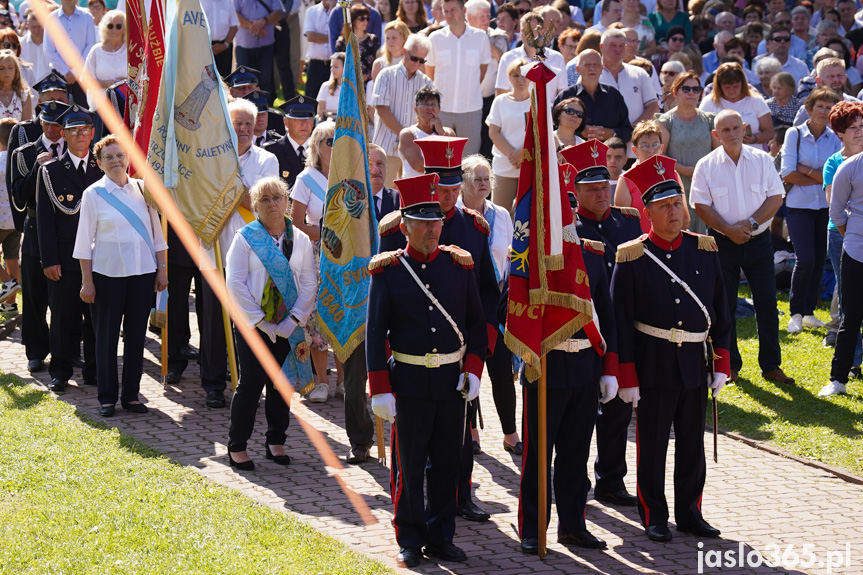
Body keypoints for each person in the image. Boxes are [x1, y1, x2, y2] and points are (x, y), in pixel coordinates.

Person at [367, 172, 486, 568]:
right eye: (422, 223)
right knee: (410, 465)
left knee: (447, 465)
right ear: (404, 226)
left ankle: (440, 536)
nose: (432, 230)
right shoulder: (389, 271)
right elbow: (374, 333)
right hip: (410, 382)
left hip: (452, 383)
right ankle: (410, 537)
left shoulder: (459, 265)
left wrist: (473, 369)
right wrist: (380, 389)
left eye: (436, 222)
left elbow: (475, 324)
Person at [379, 135, 500, 525]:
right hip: (414, 356)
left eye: (453, 188)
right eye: (441, 188)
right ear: (430, 182)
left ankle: (459, 498)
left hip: (460, 350)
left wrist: (482, 347)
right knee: (412, 449)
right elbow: (385, 300)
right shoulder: (398, 227)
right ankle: (411, 518)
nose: (448, 198)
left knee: (457, 439)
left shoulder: (475, 228)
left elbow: (486, 287)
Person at [611, 154, 731, 543]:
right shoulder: (631, 256)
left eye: (677, 203)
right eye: (664, 206)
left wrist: (722, 364)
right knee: (654, 445)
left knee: (693, 444)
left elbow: (721, 314)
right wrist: (626, 376)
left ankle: (690, 512)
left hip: (695, 362)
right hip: (654, 364)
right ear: (647, 212)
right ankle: (653, 514)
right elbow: (620, 324)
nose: (674, 212)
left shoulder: (705, 249)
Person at [516, 146, 620, 556]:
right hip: (546, 363)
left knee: (576, 454)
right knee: (538, 456)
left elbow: (606, 316)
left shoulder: (590, 253)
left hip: (584, 365)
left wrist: (609, 369)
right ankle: (532, 527)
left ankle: (573, 525)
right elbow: (513, 303)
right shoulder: (532, 256)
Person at [563, 139, 641, 509]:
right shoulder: (567, 231)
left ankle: (610, 480)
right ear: (575, 192)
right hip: (582, 329)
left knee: (618, 410)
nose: (601, 194)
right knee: (577, 419)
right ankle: (572, 486)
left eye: (604, 187)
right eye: (591, 188)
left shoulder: (627, 222)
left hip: (622, 326)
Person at [691, 109, 793, 385]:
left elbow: (775, 197)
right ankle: (729, 365)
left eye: (736, 127)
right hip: (722, 244)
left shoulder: (761, 160)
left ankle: (771, 365)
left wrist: (747, 225)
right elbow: (700, 206)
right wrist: (729, 230)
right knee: (724, 307)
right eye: (725, 130)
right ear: (716, 134)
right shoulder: (706, 165)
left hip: (758, 243)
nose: (732, 133)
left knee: (767, 304)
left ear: (744, 128)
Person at [224, 176, 316, 469]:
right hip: (254, 326)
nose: (272, 204)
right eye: (265, 199)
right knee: (251, 384)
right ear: (255, 206)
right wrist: (262, 322)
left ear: (288, 202)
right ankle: (237, 445)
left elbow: (309, 283)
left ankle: (276, 440)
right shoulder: (245, 238)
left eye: (277, 197)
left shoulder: (300, 239)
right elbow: (235, 283)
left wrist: (294, 319)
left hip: (288, 327)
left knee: (282, 384)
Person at [75, 134, 168, 417]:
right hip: (107, 277)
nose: (116, 161)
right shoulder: (93, 194)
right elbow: (83, 243)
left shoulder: (143, 189)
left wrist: (162, 270)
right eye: (109, 157)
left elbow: (158, 235)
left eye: (120, 155)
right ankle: (106, 398)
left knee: (137, 337)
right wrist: (87, 282)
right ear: (99, 163)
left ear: (128, 159)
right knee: (106, 339)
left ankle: (131, 395)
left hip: (142, 275)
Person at [338, 143, 400, 465]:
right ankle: (360, 440)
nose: (376, 169)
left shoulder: (399, 203)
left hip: (392, 306)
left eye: (382, 164)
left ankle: (403, 438)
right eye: (371, 163)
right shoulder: (342, 204)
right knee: (354, 378)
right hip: (354, 304)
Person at [36, 105, 101, 395]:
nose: (79, 135)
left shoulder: (104, 168)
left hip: (100, 258)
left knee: (96, 318)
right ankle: (60, 371)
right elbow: (44, 221)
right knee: (63, 317)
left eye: (84, 130)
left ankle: (94, 370)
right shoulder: (50, 171)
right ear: (63, 135)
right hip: (64, 258)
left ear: (92, 133)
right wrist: (49, 259)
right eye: (73, 131)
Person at [457, 154, 518, 453]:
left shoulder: (502, 214)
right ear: (463, 183)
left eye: (486, 179)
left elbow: (509, 258)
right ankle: (471, 432)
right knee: (470, 368)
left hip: (497, 303)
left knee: (502, 370)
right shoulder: (455, 216)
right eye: (476, 179)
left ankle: (510, 433)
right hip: (466, 301)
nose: (483, 184)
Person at [10, 100, 69, 375]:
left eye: (58, 124)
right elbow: (18, 194)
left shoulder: (74, 151)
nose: (53, 129)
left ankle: (67, 350)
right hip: (35, 231)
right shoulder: (24, 153)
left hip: (67, 231)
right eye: (48, 123)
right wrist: (37, 168)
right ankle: (35, 351)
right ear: (40, 122)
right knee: (34, 297)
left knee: (67, 297)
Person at [780, 87, 841, 335]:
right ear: (809, 109)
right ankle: (795, 311)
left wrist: (805, 170)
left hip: (825, 207)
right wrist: (821, 176)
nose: (824, 112)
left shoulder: (835, 138)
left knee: (817, 261)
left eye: (829, 108)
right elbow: (787, 173)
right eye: (820, 107)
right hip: (799, 207)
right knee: (804, 259)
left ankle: (807, 312)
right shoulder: (793, 134)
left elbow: (837, 175)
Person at [289, 121, 340, 403]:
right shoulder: (306, 179)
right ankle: (321, 381)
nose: (334, 146)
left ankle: (345, 381)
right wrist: (325, 234)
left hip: (347, 256)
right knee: (318, 319)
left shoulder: (349, 175)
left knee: (343, 315)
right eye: (329, 141)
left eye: (338, 141)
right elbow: (295, 223)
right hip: (317, 254)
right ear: (317, 147)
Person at [824, 108, 863, 396]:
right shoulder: (846, 168)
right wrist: (853, 237)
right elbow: (836, 212)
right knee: (851, 318)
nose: (859, 130)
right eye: (853, 127)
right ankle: (838, 379)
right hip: (856, 253)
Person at [425, 0, 491, 156]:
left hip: (470, 110)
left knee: (469, 160)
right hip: (442, 110)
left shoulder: (480, 37)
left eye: (453, 10)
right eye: (445, 11)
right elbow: (430, 72)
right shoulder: (435, 38)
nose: (449, 14)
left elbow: (482, 70)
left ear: (464, 9)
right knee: (441, 157)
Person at [657, 71, 719, 234]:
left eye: (696, 89)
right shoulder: (666, 121)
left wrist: (700, 172)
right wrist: (686, 170)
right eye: (686, 89)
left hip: (707, 184)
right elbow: (659, 156)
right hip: (678, 185)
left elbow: (719, 152)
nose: (692, 93)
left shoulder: (710, 119)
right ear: (675, 92)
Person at [372, 33, 433, 186]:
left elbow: (430, 114)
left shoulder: (426, 82)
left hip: (413, 154)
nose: (417, 63)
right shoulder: (385, 74)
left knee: (409, 201)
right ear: (405, 52)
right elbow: (381, 109)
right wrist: (405, 136)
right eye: (414, 58)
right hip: (386, 149)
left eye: (422, 60)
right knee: (381, 196)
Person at [614, 119, 686, 233]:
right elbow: (623, 224)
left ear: (662, 148)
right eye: (644, 146)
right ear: (635, 150)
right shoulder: (626, 179)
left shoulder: (673, 175)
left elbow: (685, 217)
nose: (651, 150)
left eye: (655, 145)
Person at [555, 50, 633, 145]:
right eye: (587, 64)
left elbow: (628, 131)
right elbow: (554, 127)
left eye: (596, 64)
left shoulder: (614, 95)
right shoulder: (566, 96)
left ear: (602, 68)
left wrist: (611, 133)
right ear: (578, 69)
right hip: (574, 155)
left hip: (609, 157)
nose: (592, 68)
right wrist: (579, 131)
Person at [487, 59, 531, 214]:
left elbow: (542, 135)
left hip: (530, 168)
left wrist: (523, 154)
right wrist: (514, 155)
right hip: (504, 167)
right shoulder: (500, 101)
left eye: (524, 75)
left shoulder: (538, 102)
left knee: (527, 217)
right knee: (500, 214)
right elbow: (494, 132)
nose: (520, 80)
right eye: (515, 75)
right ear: (509, 77)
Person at [699, 62, 774, 149]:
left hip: (753, 154)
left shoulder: (756, 100)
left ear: (742, 84)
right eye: (727, 87)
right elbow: (701, 133)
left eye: (735, 86)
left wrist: (754, 138)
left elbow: (769, 132)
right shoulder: (709, 102)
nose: (732, 90)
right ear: (719, 86)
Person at [599, 28, 659, 135]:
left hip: (635, 142)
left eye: (621, 45)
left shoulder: (640, 73)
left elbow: (653, 107)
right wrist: (611, 133)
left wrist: (630, 131)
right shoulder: (591, 75)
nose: (618, 49)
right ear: (601, 47)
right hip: (603, 141)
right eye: (612, 45)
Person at [495, 12, 568, 96]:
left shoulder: (557, 58)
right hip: (517, 108)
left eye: (532, 31)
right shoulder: (507, 58)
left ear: (543, 32)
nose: (527, 35)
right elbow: (500, 95)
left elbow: (562, 94)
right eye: (523, 31)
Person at [43, 0, 96, 106]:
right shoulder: (51, 18)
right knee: (57, 112)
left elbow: (90, 46)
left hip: (82, 74)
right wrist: (66, 71)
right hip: (58, 73)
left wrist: (76, 72)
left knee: (84, 112)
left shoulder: (87, 17)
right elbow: (48, 50)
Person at [397, 86, 454, 179]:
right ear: (415, 109)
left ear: (439, 108)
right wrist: (444, 165)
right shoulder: (408, 134)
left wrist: (441, 133)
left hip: (441, 188)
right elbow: (418, 166)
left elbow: (453, 160)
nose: (430, 107)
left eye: (434, 104)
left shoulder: (448, 133)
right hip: (415, 186)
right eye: (425, 104)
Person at [233, 0, 285, 100]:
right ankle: (246, 111)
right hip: (244, 46)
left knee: (265, 80)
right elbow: (234, 13)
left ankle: (266, 110)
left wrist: (263, 21)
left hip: (266, 45)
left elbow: (278, 11)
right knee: (244, 81)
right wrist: (253, 26)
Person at [264, 95, 316, 189]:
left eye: (308, 119)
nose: (304, 124)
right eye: (298, 120)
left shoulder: (320, 150)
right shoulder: (271, 151)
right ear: (286, 122)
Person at [82, 10, 126, 110]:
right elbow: (85, 79)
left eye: (118, 26)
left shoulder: (130, 51)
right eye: (110, 26)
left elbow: (139, 78)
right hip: (101, 108)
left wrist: (125, 83)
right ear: (105, 28)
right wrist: (103, 83)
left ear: (124, 29)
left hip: (125, 106)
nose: (114, 30)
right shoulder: (96, 50)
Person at [335, 4, 380, 84]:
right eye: (362, 18)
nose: (365, 21)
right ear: (353, 19)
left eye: (367, 18)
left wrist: (366, 76)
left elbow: (377, 62)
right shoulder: (342, 42)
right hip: (348, 84)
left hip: (369, 84)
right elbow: (339, 64)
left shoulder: (373, 40)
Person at [303, 0, 335, 104]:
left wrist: (333, 10)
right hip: (316, 63)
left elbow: (344, 35)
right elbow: (311, 36)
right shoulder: (311, 11)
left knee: (333, 98)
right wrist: (334, 38)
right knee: (311, 98)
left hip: (335, 64)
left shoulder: (341, 11)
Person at [200, 0, 239, 78]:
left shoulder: (228, 2)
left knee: (225, 80)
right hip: (203, 48)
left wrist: (225, 45)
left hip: (224, 47)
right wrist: (205, 47)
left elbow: (234, 26)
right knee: (204, 82)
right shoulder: (199, 2)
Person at [0, 49, 31, 122]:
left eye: (10, 68)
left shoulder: (24, 94)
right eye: (1, 68)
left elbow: (26, 126)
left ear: (16, 70)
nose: (7, 72)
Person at [20, 10, 50, 84]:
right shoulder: (20, 44)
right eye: (33, 27)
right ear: (27, 26)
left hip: (49, 87)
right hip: (28, 87)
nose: (36, 30)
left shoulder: (53, 44)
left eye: (39, 26)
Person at [316, 53, 344, 119]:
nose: (332, 70)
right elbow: (320, 111)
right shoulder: (325, 86)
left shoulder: (354, 89)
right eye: (331, 67)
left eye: (336, 67)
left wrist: (331, 113)